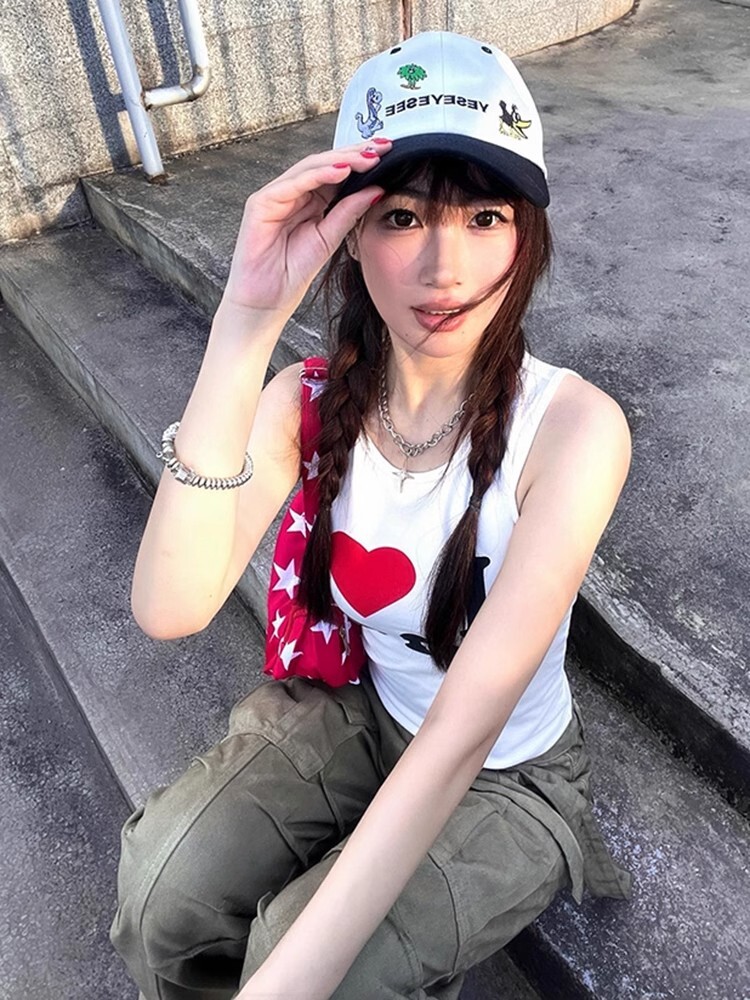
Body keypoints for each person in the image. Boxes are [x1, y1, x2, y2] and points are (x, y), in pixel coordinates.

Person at [110, 31, 632, 1000]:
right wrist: (248, 316)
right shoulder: (306, 403)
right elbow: (169, 607)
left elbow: (462, 734)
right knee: (164, 896)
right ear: (348, 231)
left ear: (526, 234)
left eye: (484, 216)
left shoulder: (572, 430)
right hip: (363, 710)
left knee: (318, 963)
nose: (444, 266)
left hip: (507, 770)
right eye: (402, 216)